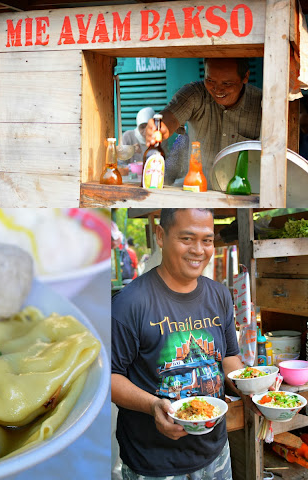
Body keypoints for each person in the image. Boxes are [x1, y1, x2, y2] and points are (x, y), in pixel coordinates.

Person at [111, 208, 247, 480]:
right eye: (187, 238)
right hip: (153, 462)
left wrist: (251, 386)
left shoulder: (219, 295)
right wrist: (152, 405)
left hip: (215, 452)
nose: (199, 250)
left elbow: (229, 357)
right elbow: (110, 377)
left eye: (207, 240)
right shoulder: (129, 303)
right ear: (161, 236)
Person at [145, 58, 262, 180]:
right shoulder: (195, 94)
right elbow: (171, 117)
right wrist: (159, 127)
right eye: (210, 80)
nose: (217, 89)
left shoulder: (262, 104)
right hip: (198, 190)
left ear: (245, 76)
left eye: (227, 83)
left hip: (243, 194)